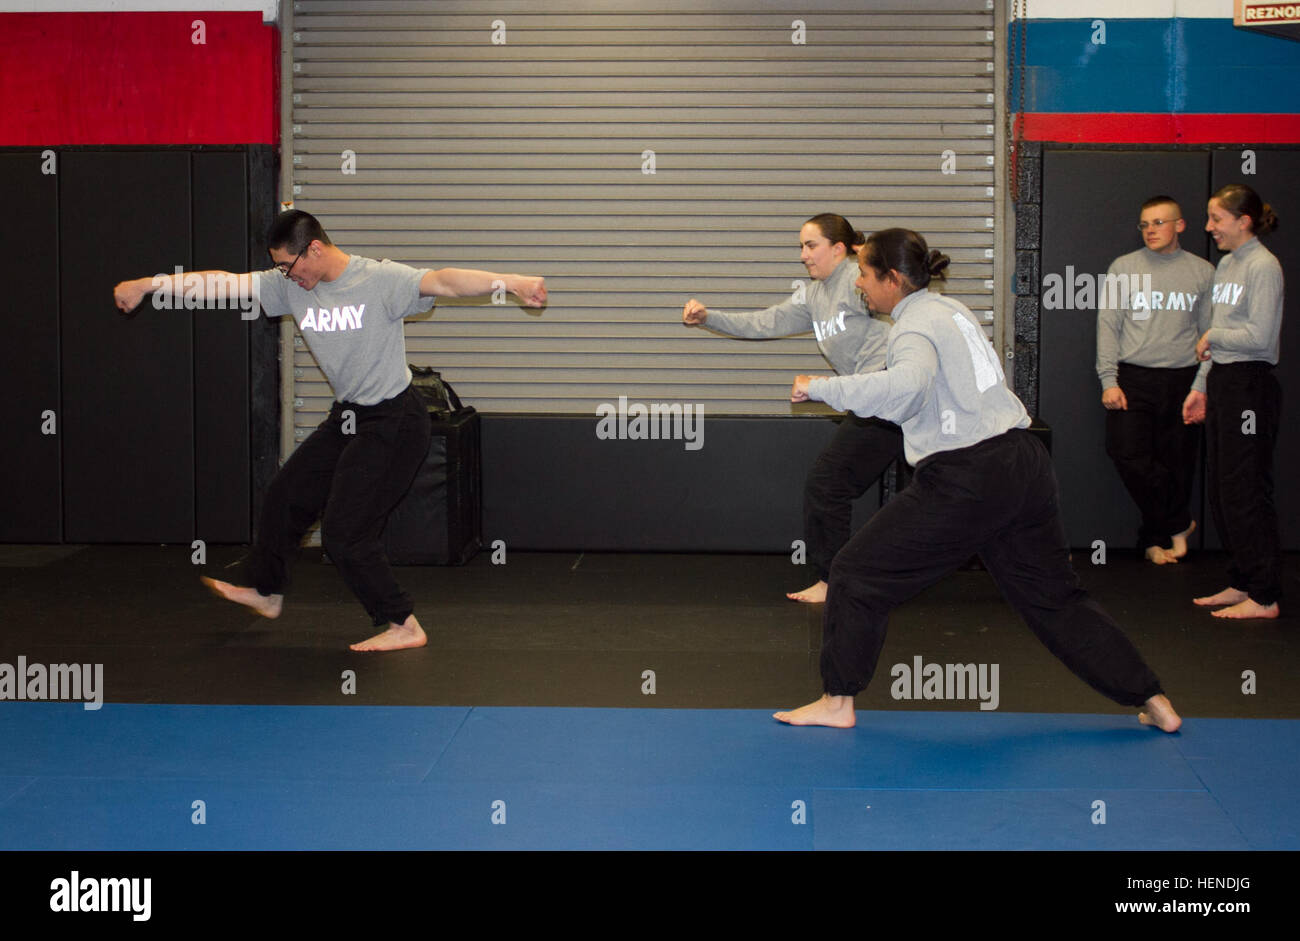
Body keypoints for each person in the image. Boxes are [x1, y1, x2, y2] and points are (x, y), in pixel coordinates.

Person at [773, 228, 1180, 732]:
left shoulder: (913, 326)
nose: (858, 284)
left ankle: (837, 702)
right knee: (1054, 599)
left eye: (864, 273)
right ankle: (1153, 698)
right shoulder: (953, 311)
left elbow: (905, 389)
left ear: (892, 279)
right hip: (1022, 463)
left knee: (855, 573)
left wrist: (821, 386)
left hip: (968, 476)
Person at [113, 210, 547, 651]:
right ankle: (267, 592)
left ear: (315, 248)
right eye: (279, 267)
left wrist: (511, 281)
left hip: (395, 420)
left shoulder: (380, 280)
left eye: (290, 265)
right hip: (349, 416)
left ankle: (402, 624)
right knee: (286, 496)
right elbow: (223, 283)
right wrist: (149, 285)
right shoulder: (289, 285)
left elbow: (445, 281)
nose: (286, 276)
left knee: (345, 532)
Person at [681, 213, 903, 603]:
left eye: (810, 245)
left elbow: (901, 301)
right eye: (800, 246)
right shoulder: (814, 294)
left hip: (888, 391)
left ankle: (834, 582)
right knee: (906, 484)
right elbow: (766, 322)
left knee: (828, 481)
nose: (803, 255)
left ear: (838, 248)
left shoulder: (857, 280)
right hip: (869, 397)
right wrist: (709, 317)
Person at [1183, 184, 1283, 620]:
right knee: (1223, 490)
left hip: (1250, 386)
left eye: (1216, 219)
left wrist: (1214, 338)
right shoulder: (1226, 264)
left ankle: (1264, 596)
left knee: (1244, 490)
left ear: (1244, 221)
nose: (1209, 228)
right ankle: (1243, 579)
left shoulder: (1263, 265)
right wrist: (1201, 386)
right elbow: (1217, 338)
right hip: (1223, 379)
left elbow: (1260, 337)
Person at [1096, 195, 1214, 564]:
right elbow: (1108, 324)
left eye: (1159, 223)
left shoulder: (1203, 272)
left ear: (1179, 225)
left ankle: (1154, 541)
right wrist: (1108, 379)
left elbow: (1210, 335)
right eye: (1145, 224)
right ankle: (1179, 522)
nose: (1151, 230)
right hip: (1133, 378)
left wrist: (1201, 385)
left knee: (1176, 463)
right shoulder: (1123, 268)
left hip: (1182, 379)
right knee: (1127, 454)